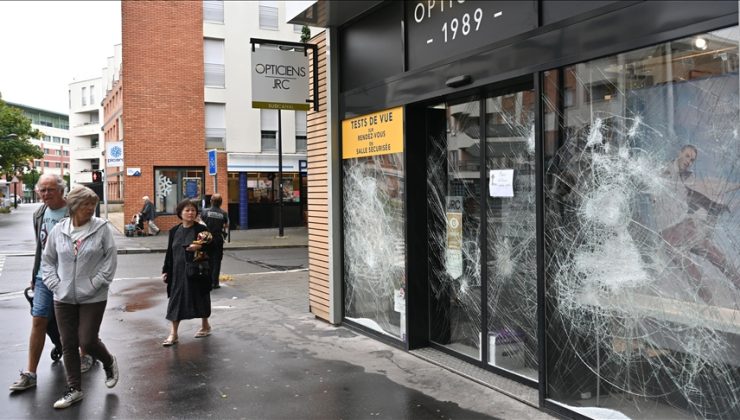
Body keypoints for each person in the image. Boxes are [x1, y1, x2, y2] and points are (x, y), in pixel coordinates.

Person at [9, 174, 98, 392]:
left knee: (75, 319)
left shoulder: (73, 211)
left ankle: (85, 354)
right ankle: (30, 373)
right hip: (43, 276)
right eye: (42, 190)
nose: (46, 194)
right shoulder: (39, 212)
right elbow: (41, 246)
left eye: (50, 190)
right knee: (39, 318)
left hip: (71, 276)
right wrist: (34, 273)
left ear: (61, 191)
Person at [42, 186, 119, 409]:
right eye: (87, 204)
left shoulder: (102, 228)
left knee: (87, 340)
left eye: (93, 205)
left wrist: (96, 283)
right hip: (63, 296)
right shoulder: (59, 230)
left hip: (94, 296)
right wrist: (55, 284)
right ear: (74, 206)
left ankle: (108, 361)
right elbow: (48, 261)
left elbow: (110, 261)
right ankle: (74, 389)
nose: (91, 209)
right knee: (68, 343)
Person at [656, 145, 740, 300]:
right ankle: (710, 306)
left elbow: (691, 195)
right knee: (692, 272)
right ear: (679, 152)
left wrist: (713, 205)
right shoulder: (665, 170)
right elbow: (653, 185)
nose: (689, 161)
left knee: (717, 257)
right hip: (669, 232)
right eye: (687, 156)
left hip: (685, 226)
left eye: (692, 159)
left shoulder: (687, 177)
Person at [161, 199, 213, 347]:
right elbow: (169, 252)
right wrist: (165, 270)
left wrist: (199, 249)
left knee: (200, 297)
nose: (190, 213)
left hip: (196, 271)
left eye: (193, 210)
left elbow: (212, 248)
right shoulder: (174, 231)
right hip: (177, 273)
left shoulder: (201, 230)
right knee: (176, 301)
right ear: (180, 213)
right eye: (187, 210)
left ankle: (205, 325)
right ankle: (173, 334)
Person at [201, 193, 229, 289]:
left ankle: (207, 281)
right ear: (221, 203)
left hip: (206, 238)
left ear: (211, 201)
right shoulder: (223, 213)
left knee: (206, 259)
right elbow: (226, 226)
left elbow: (200, 223)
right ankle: (215, 282)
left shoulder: (204, 212)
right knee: (216, 260)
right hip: (218, 239)